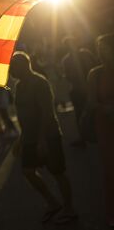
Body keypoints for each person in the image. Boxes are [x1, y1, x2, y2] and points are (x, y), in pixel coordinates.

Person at [9, 51, 77, 224]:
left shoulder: (39, 83)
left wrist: (42, 141)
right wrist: (21, 140)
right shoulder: (19, 86)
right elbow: (24, 116)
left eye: (14, 66)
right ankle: (53, 203)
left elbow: (46, 113)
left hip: (48, 135)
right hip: (29, 137)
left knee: (57, 172)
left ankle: (69, 209)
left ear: (24, 65)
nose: (11, 71)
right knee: (28, 171)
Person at [87, 33, 114, 228]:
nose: (103, 53)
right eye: (100, 49)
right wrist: (104, 108)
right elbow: (90, 102)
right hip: (106, 127)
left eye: (107, 48)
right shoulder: (94, 74)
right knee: (110, 172)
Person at [61, 36, 98, 148]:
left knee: (84, 113)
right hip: (84, 89)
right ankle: (88, 136)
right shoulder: (82, 55)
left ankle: (87, 136)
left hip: (84, 89)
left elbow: (67, 76)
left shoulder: (69, 59)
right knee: (83, 113)